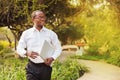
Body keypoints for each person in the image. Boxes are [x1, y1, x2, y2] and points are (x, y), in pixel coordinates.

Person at [17, 10, 62, 80]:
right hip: (31, 67)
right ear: (33, 19)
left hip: (45, 67)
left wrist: (52, 58)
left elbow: (58, 48)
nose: (43, 19)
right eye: (40, 17)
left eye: (43, 17)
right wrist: (26, 53)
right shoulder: (26, 33)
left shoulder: (51, 34)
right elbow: (19, 48)